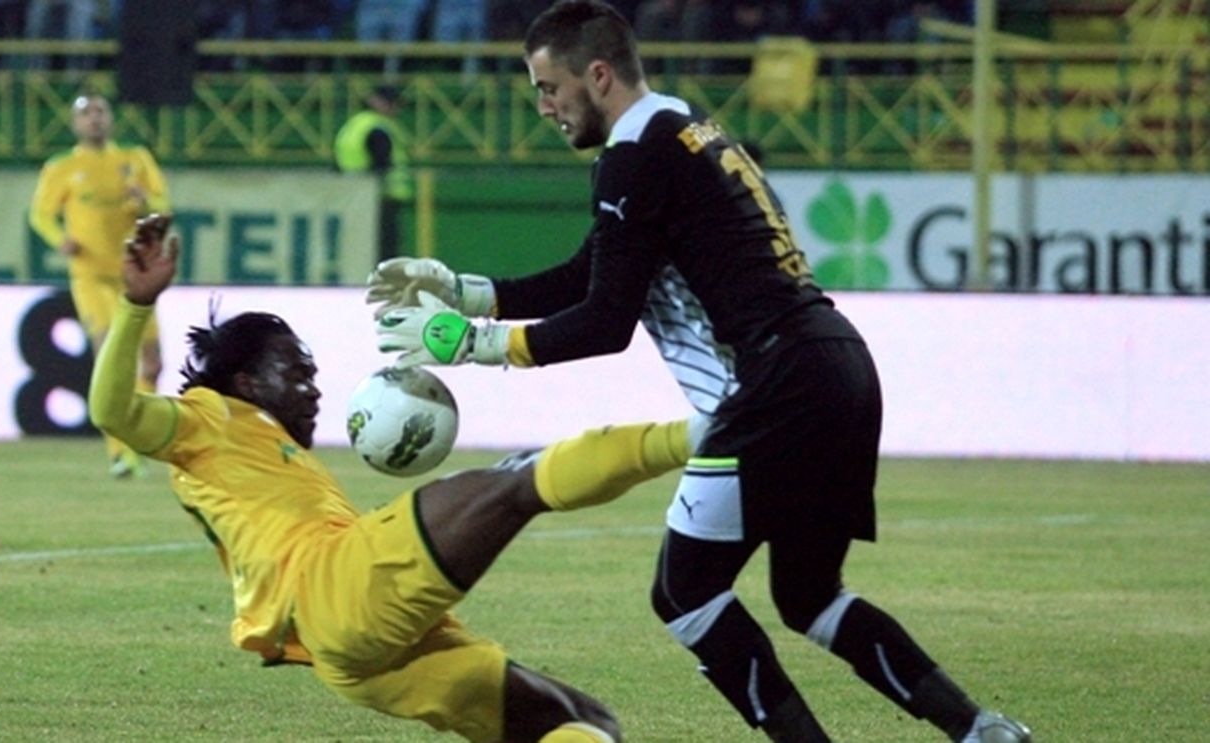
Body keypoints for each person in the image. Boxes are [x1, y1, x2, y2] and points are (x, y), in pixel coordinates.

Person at [366, 2, 1033, 742]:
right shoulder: (684, 129)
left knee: (684, 592)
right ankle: (980, 730)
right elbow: (594, 272)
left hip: (773, 383)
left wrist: (474, 345)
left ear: (598, 73)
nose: (544, 106)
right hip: (838, 364)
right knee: (809, 595)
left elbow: (604, 323)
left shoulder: (632, 155)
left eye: (549, 87)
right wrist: (465, 291)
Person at [89, 213, 699, 742]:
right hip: (331, 588)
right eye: (297, 371)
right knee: (516, 481)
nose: (314, 387)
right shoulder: (213, 416)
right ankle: (706, 434)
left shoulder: (274, 451)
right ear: (248, 383)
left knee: (582, 721)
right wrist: (136, 305)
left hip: (364, 656)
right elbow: (114, 412)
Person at [30, 93, 170, 479]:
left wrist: (146, 203)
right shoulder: (64, 167)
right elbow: (40, 214)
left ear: (111, 119)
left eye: (100, 112)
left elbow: (163, 206)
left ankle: (142, 441)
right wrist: (60, 238)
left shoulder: (135, 160)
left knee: (153, 364)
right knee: (111, 355)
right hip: (91, 275)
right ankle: (120, 453)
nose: (94, 119)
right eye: (86, 113)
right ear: (75, 124)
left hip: (134, 273)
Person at [334, 84, 413, 262]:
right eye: (393, 104)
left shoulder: (354, 125)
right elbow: (381, 164)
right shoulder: (378, 128)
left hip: (352, 197)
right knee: (385, 251)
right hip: (381, 197)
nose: (396, 109)